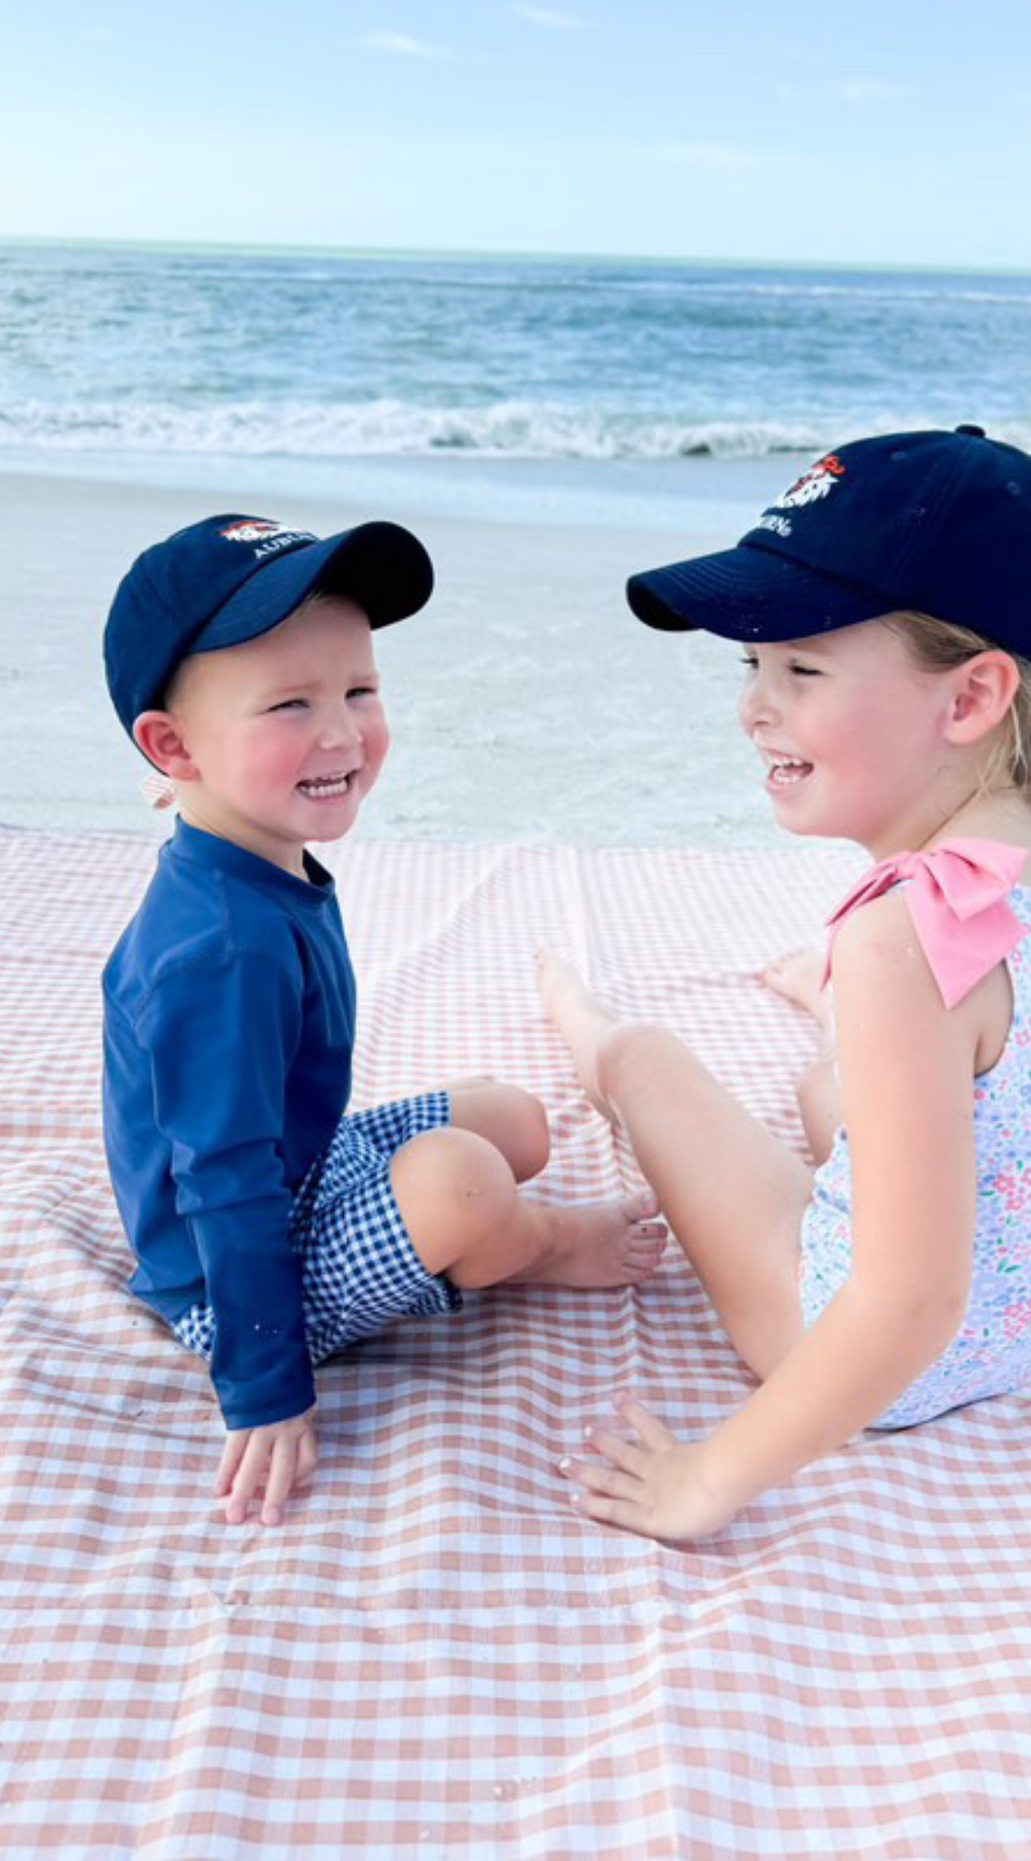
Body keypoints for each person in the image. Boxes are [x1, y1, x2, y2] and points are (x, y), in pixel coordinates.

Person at [542, 425, 1031, 1544]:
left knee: (647, 1059)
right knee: (841, 1095)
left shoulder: (900, 939)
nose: (752, 707)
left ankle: (573, 1012)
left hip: (860, 1350)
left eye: (801, 668)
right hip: (1018, 1322)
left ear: (970, 697)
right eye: (751, 666)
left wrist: (707, 1478)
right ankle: (810, 1008)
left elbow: (908, 1301)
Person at [101, 514, 666, 1528]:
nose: (341, 733)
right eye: (288, 704)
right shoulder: (216, 950)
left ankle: (490, 1214)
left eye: (358, 690)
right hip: (232, 1274)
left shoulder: (245, 840)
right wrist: (264, 1387)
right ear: (173, 745)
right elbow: (222, 1179)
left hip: (304, 1169)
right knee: (464, 1179)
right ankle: (541, 1246)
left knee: (516, 1119)